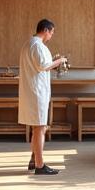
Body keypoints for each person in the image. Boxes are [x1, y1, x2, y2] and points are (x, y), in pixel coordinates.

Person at [18, 19, 68, 175]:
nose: (51, 36)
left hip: (33, 91)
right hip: (36, 92)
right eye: (51, 32)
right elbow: (43, 66)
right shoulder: (37, 45)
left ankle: (34, 160)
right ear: (46, 30)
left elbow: (39, 66)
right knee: (40, 128)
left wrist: (53, 62)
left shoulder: (29, 44)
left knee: (38, 128)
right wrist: (59, 60)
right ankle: (40, 165)